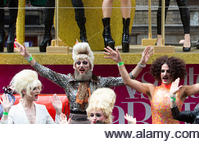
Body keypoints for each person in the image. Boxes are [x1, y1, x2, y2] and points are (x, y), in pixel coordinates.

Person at [15, 41, 152, 123]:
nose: (81, 65)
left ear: (90, 66)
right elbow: (46, 72)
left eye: (85, 63)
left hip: (93, 122)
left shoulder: (99, 82)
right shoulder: (68, 81)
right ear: (74, 66)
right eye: (78, 63)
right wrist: (28, 56)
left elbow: (127, 80)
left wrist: (141, 63)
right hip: (73, 122)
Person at [105, 47, 199, 124]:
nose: (165, 74)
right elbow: (127, 81)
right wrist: (119, 62)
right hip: (157, 136)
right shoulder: (151, 89)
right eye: (163, 71)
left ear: (175, 73)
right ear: (158, 73)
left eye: (168, 71)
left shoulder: (182, 90)